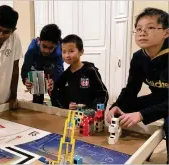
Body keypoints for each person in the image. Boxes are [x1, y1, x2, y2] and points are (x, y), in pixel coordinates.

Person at [105, 7, 168, 163]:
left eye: (150, 27)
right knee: (122, 109)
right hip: (160, 97)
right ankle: (136, 153)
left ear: (166, 32)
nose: (142, 32)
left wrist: (141, 114)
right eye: (138, 29)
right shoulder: (139, 57)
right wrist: (116, 105)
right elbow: (131, 88)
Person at [52, 34, 108, 110]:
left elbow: (102, 94)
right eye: (64, 52)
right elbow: (57, 96)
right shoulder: (64, 76)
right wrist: (66, 105)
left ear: (81, 52)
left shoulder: (90, 71)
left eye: (71, 51)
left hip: (89, 117)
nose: (67, 55)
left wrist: (95, 110)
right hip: (71, 118)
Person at [21, 24, 64, 104]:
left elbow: (59, 69)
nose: (46, 51)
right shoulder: (32, 49)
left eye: (51, 48)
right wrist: (26, 80)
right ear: (39, 40)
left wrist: (53, 80)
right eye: (44, 46)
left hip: (51, 72)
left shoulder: (59, 51)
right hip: (37, 72)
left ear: (57, 44)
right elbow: (25, 68)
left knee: (57, 99)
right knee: (37, 100)